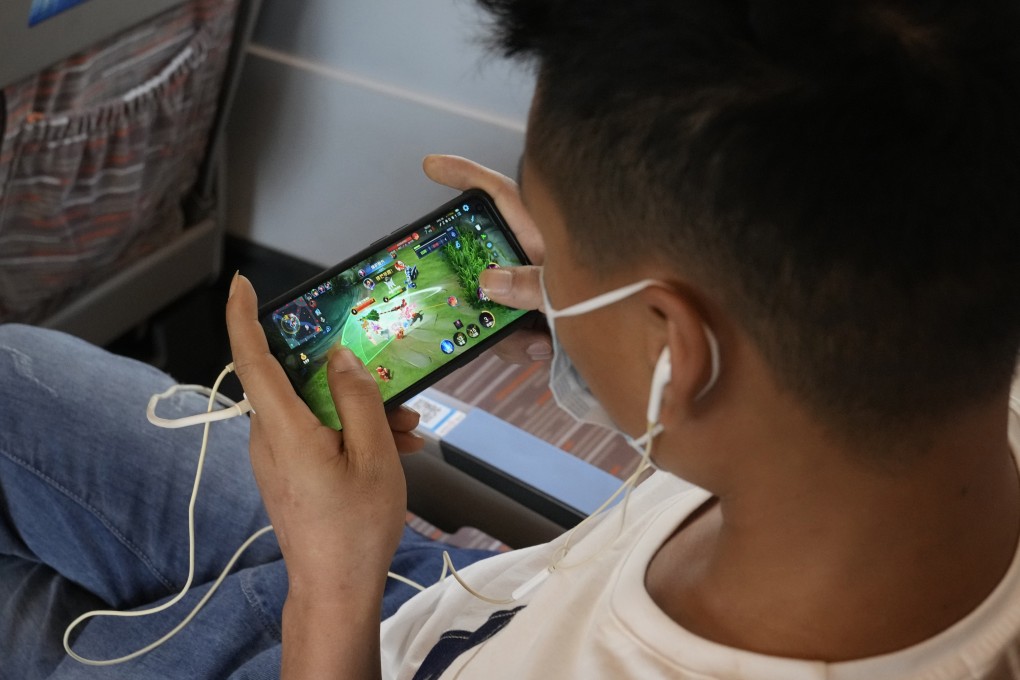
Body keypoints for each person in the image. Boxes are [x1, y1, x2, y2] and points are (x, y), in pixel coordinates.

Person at [2, 0, 1020, 678]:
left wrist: (333, 576)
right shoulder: (942, 363)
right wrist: (586, 291)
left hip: (346, 626)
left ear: (679, 346)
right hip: (455, 589)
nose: (545, 285)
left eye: (560, 254)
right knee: (16, 374)